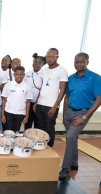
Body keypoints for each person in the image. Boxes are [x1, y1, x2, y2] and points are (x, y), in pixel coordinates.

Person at [58, 53, 101, 181]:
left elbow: (99, 100)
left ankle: (66, 169)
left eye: (82, 62)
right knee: (72, 138)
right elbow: (67, 97)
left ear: (87, 62)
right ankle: (74, 163)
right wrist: (65, 113)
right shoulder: (71, 78)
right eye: (76, 62)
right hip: (69, 112)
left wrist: (84, 117)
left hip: (82, 113)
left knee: (70, 137)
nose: (79, 64)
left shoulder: (95, 78)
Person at [34, 48, 68, 147]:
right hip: (40, 104)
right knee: (40, 128)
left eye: (53, 56)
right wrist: (36, 102)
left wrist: (55, 106)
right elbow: (42, 87)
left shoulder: (62, 70)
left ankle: (49, 150)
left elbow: (62, 90)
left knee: (49, 129)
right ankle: (41, 147)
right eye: (48, 56)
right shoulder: (44, 70)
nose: (50, 58)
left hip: (51, 106)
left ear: (57, 57)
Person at [1, 66, 32, 132]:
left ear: (24, 75)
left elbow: (28, 102)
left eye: (21, 74)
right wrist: (3, 115)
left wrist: (27, 116)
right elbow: (4, 100)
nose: (19, 76)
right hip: (9, 112)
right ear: (14, 74)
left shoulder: (28, 86)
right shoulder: (8, 85)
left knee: (16, 132)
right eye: (17, 74)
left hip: (20, 113)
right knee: (8, 132)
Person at [24, 53, 46, 130]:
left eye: (39, 62)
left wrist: (36, 103)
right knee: (27, 123)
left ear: (43, 64)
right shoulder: (27, 74)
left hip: (39, 103)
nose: (36, 64)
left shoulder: (45, 74)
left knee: (38, 124)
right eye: (35, 61)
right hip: (28, 102)